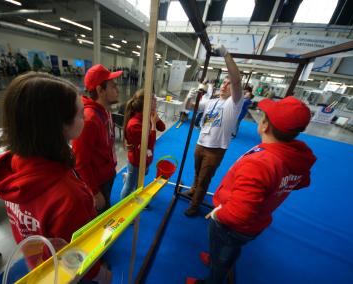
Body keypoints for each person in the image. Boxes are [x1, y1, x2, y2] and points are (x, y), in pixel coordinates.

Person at [0, 72, 111, 283]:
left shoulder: (12, 165)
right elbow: (79, 257)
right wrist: (101, 275)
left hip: (35, 260)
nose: (86, 117)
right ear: (59, 125)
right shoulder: (70, 196)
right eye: (81, 113)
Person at [187, 96, 316, 284]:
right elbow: (301, 182)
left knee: (224, 251)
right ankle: (218, 260)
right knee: (229, 250)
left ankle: (214, 276)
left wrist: (218, 214)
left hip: (232, 224)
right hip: (256, 222)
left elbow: (239, 215)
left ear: (264, 126)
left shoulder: (261, 163)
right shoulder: (291, 156)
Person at [183, 45, 244, 217]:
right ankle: (193, 190)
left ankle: (195, 206)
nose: (225, 85)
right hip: (201, 143)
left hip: (215, 149)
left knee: (204, 179)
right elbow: (189, 107)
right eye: (223, 82)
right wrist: (190, 95)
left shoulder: (234, 103)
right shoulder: (212, 101)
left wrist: (226, 54)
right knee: (197, 174)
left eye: (228, 83)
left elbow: (237, 80)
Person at [72, 64, 122, 214]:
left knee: (106, 208)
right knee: (99, 216)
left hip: (107, 174)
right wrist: (94, 191)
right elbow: (80, 162)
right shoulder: (89, 120)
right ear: (100, 90)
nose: (118, 90)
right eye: (113, 87)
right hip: (98, 182)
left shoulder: (104, 111)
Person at [120, 89, 165, 199]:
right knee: (129, 187)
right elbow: (149, 144)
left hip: (146, 158)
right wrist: (153, 124)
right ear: (146, 104)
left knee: (141, 177)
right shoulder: (134, 124)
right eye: (154, 100)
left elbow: (162, 128)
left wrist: (156, 118)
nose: (156, 101)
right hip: (136, 161)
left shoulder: (148, 115)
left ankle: (132, 182)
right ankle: (122, 205)